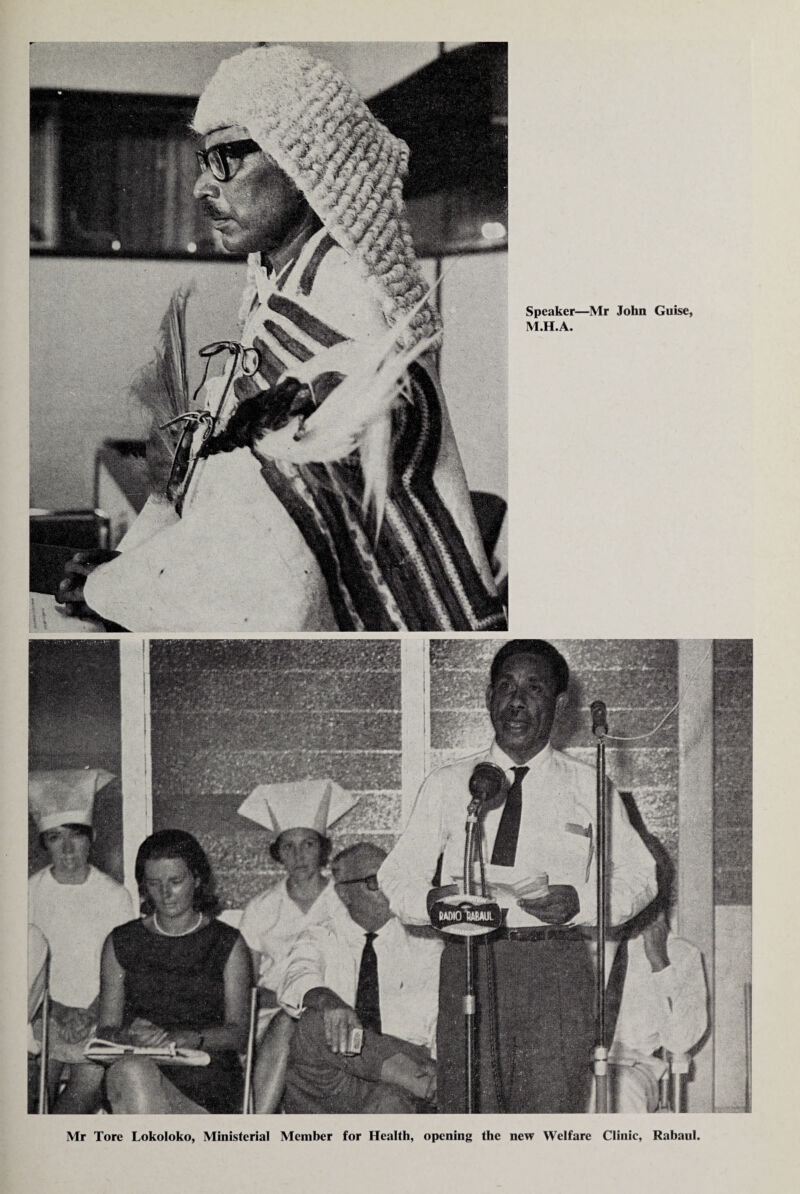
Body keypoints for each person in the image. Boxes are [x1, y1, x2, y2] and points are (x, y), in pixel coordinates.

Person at [58, 43, 505, 634]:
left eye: (227, 158)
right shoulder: (283, 288)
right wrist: (134, 567)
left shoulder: (352, 304)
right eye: (202, 159)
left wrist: (119, 588)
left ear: (303, 164)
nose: (199, 187)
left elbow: (280, 555)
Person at [378, 639, 658, 1113]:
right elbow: (396, 874)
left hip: (555, 966)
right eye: (505, 686)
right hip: (471, 961)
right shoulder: (449, 783)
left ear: (560, 705)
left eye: (534, 688)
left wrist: (583, 903)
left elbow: (642, 876)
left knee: (547, 1120)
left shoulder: (589, 785)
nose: (517, 700)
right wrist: (430, 902)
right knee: (470, 1114)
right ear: (489, 698)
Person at [279, 843, 443, 1113]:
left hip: (403, 1073)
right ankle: (425, 1085)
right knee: (314, 1020)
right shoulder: (321, 936)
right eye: (375, 881)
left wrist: (439, 1064)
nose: (389, 888)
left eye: (393, 878)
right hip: (334, 1079)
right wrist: (330, 1002)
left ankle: (421, 1083)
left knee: (390, 1105)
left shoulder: (428, 945)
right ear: (344, 893)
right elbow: (297, 979)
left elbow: (442, 1018)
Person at [97, 830, 251, 1113]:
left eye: (176, 882)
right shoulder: (122, 941)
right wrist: (128, 1035)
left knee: (135, 1077)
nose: (165, 894)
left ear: (198, 879)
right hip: (136, 1070)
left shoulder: (227, 942)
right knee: (133, 1071)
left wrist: (187, 1037)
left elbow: (239, 1033)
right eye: (154, 884)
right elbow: (105, 1030)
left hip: (205, 1080)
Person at [236, 778, 356, 1111]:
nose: (299, 855)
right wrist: (290, 998)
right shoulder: (261, 908)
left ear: (323, 848)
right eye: (288, 846)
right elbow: (247, 987)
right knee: (289, 1020)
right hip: (275, 1016)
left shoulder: (344, 896)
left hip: (338, 1009)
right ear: (278, 853)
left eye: (307, 844)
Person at [28, 769, 135, 1113]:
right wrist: (55, 1011)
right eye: (56, 838)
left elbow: (122, 968)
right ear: (44, 843)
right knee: (29, 1087)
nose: (68, 848)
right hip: (40, 1012)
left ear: (92, 838)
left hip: (97, 1014)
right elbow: (21, 969)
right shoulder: (27, 893)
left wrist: (92, 1013)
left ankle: (54, 1149)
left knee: (88, 1082)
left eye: (76, 835)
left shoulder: (115, 896)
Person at [604, 907, 708, 1112]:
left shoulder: (682, 953)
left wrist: (660, 963)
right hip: (578, 1063)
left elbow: (680, 1042)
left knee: (616, 1093)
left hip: (632, 1067)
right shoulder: (588, 944)